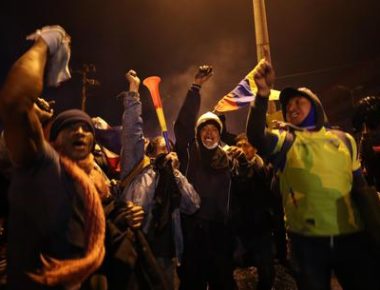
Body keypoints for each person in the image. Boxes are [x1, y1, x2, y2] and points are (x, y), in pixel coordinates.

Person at [0, 25, 143, 290]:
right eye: (69, 127)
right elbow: (15, 102)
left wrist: (125, 215)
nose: (80, 132)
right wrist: (44, 43)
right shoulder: (44, 167)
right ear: (54, 141)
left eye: (86, 129)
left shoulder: (98, 183)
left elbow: (106, 225)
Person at [246, 59, 379, 290]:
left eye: (299, 101)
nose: (292, 108)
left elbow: (361, 186)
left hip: (351, 237)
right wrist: (262, 94)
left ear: (315, 105)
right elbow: (256, 136)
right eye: (288, 106)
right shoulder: (284, 140)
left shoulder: (344, 140)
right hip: (306, 243)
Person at [118, 70, 200, 290]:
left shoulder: (174, 176)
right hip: (136, 252)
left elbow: (193, 205)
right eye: (161, 151)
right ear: (151, 152)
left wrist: (175, 174)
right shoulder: (136, 168)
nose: (166, 154)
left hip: (167, 258)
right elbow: (131, 133)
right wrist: (134, 91)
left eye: (169, 151)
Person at [174, 66, 247, 290]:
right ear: (197, 135)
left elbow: (242, 194)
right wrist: (196, 88)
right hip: (193, 234)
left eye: (214, 130)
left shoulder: (229, 159)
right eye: (204, 130)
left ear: (219, 134)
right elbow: (183, 126)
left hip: (221, 236)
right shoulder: (189, 154)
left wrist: (244, 163)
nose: (209, 133)